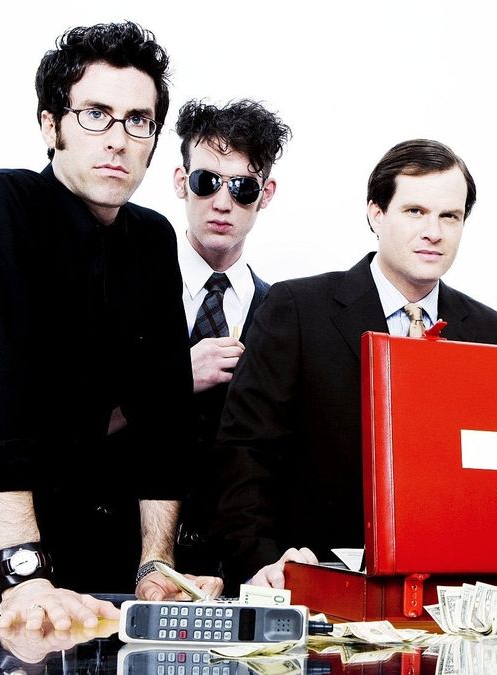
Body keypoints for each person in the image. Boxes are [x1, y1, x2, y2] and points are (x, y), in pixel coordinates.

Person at [0, 21, 220, 635]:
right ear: (51, 127)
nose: (118, 140)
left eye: (138, 120)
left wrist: (156, 564)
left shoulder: (153, 240)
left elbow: (162, 422)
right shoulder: (0, 205)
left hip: (75, 561)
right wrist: (23, 574)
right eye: (95, 115)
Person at [212, 139, 497, 591]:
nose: (433, 231)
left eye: (449, 216)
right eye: (415, 211)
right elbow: (245, 451)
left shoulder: (489, 331)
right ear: (376, 214)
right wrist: (262, 563)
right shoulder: (298, 308)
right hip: (314, 582)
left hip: (445, 592)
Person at [170, 99, 290, 574]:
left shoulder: (283, 313)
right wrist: (175, 376)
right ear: (181, 182)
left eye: (242, 188)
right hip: (112, 554)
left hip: (235, 565)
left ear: (266, 194)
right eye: (206, 182)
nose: (222, 203)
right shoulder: (129, 287)